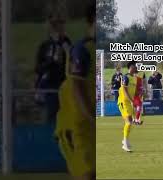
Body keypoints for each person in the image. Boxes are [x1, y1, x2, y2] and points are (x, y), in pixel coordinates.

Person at [55, 4, 95, 180]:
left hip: (93, 126)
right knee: (87, 175)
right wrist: (92, 117)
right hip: (78, 127)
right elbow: (78, 87)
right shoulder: (82, 49)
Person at [35, 13, 71, 122]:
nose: (58, 27)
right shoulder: (45, 46)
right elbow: (38, 69)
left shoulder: (67, 43)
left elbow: (72, 63)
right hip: (50, 89)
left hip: (65, 87)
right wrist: (50, 61)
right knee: (51, 118)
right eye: (54, 24)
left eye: (60, 23)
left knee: (65, 119)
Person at [118, 61, 140, 152]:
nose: (136, 67)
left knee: (130, 122)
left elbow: (133, 91)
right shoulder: (125, 77)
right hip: (124, 102)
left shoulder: (134, 78)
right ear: (131, 67)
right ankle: (125, 143)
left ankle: (125, 140)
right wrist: (132, 101)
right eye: (135, 66)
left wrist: (137, 97)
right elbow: (124, 90)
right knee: (129, 122)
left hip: (129, 102)